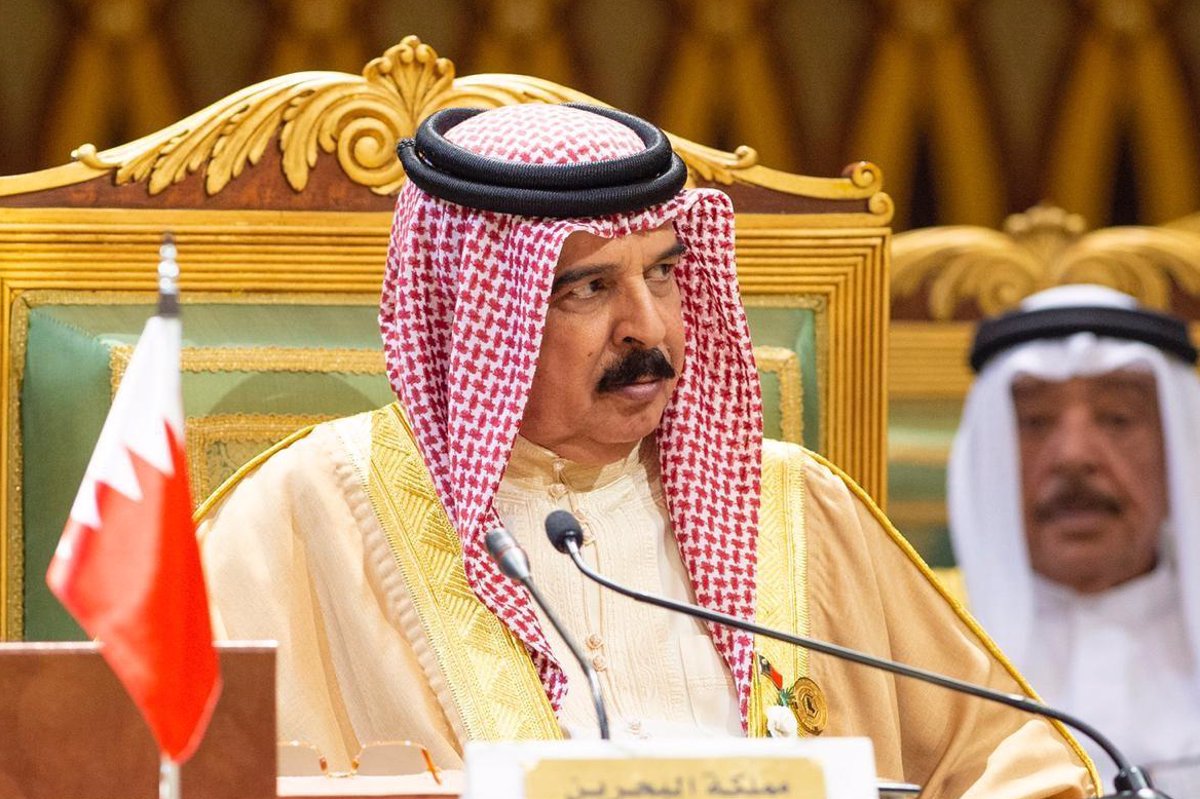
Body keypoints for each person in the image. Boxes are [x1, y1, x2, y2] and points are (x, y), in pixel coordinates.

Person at [198, 103, 1095, 797]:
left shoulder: (791, 509)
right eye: (588, 288)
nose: (649, 327)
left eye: (662, 273)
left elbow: (1014, 762)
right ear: (477, 314)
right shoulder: (305, 514)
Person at [949, 284, 1200, 789]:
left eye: (1118, 419)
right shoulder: (925, 646)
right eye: (1034, 422)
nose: (1073, 456)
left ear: (1177, 448)